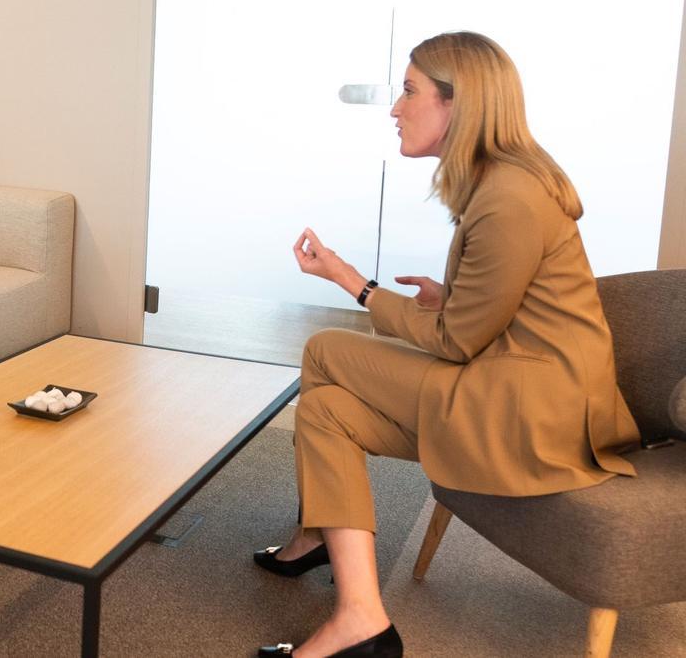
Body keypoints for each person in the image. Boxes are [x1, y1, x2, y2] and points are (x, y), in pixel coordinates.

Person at [253, 32, 640, 657]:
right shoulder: (502, 182)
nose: (395, 108)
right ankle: (359, 613)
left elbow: (458, 342)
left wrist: (354, 281)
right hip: (514, 386)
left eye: (409, 91)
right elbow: (506, 308)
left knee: (327, 350)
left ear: (459, 105)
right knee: (325, 412)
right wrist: (451, 295)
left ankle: (319, 531)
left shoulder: (510, 197)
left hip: (534, 411)